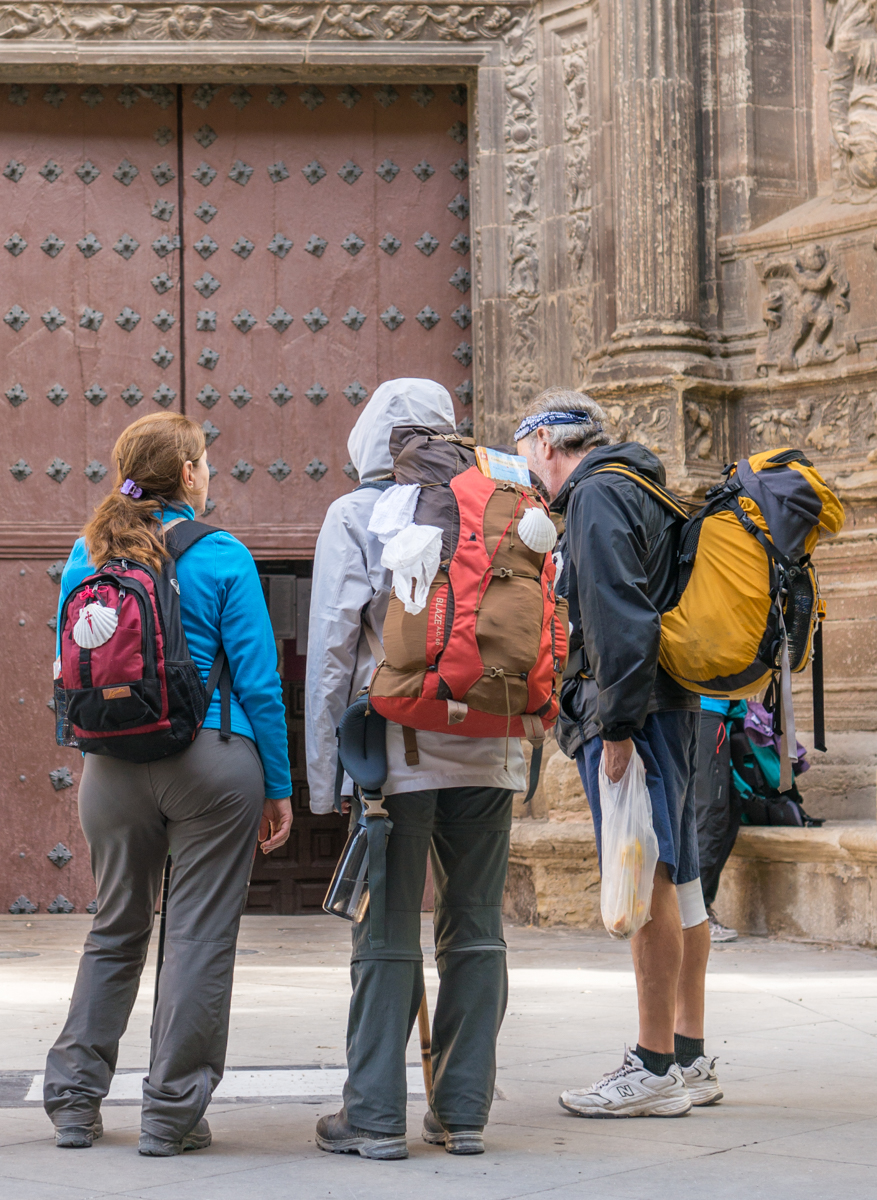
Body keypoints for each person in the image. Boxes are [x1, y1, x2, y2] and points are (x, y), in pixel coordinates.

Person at [44, 413, 292, 1154]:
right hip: (213, 761)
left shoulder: (83, 554)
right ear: (187, 475)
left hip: (111, 770)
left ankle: (72, 1102)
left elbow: (68, 670)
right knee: (197, 937)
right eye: (205, 462)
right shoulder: (221, 553)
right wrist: (277, 786)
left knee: (115, 929)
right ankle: (170, 1115)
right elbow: (259, 682)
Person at [306, 379, 525, 1160]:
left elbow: (333, 650)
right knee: (477, 931)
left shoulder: (356, 513)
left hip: (396, 755)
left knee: (387, 931)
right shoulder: (504, 504)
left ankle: (371, 1117)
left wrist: (323, 775)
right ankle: (462, 1112)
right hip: (493, 747)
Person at [515, 387, 722, 1117]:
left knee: (646, 880)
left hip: (637, 713)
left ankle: (652, 1066)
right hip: (673, 707)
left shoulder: (597, 497)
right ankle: (689, 1054)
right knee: (680, 877)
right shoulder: (641, 485)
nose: (528, 472)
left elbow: (618, 621)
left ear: (545, 442)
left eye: (525, 455)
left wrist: (615, 728)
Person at [695, 698, 743, 942]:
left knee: (730, 808)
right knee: (711, 813)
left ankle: (697, 909)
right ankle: (696, 914)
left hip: (717, 712)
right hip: (706, 710)